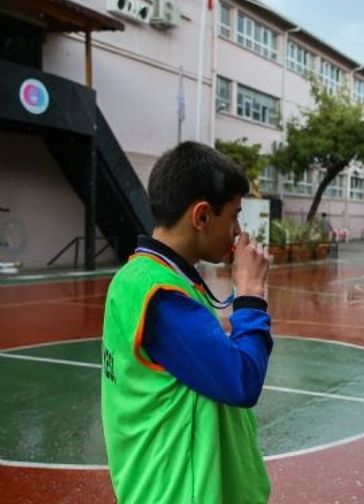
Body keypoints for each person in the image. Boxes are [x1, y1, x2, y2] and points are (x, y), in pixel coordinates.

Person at [101, 141, 272, 503]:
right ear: (202, 216)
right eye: (235, 216)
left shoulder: (159, 277)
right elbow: (241, 381)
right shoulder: (158, 292)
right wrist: (251, 294)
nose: (238, 230)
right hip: (180, 492)